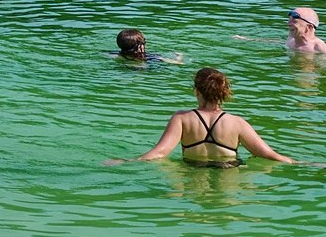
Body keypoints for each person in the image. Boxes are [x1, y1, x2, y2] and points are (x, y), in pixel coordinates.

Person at [113, 67, 293, 165]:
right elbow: (268, 155)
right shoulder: (237, 123)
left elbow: (160, 153)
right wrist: (305, 164)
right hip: (228, 173)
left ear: (196, 91)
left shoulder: (181, 118)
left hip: (192, 172)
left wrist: (126, 161)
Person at [113, 28, 182, 65]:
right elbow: (178, 63)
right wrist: (179, 56)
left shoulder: (116, 55)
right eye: (144, 41)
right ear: (140, 46)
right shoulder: (151, 57)